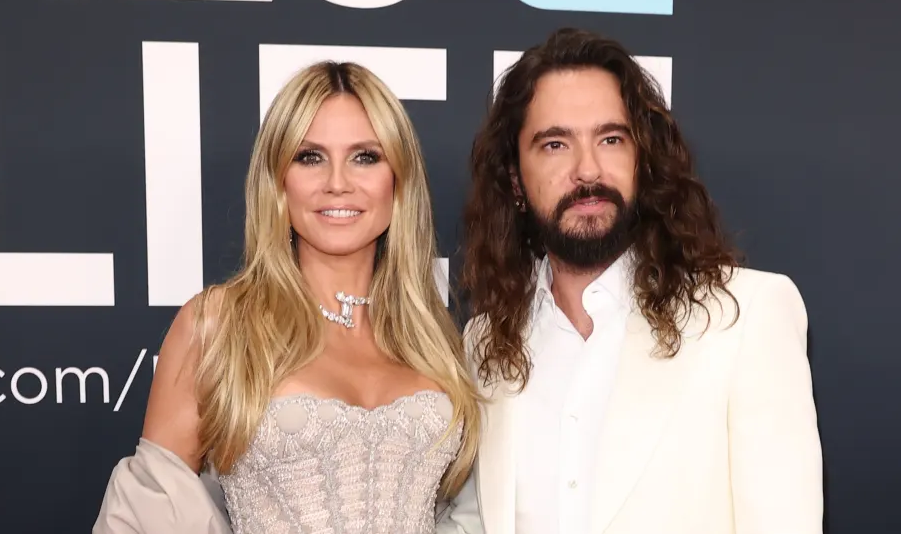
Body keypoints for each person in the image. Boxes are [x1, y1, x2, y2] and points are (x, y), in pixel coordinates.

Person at [437, 28, 823, 534]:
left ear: (642, 159)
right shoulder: (487, 345)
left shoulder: (745, 316)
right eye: (555, 144)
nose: (588, 169)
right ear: (514, 178)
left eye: (611, 139)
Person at [93, 61, 481, 534]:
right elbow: (149, 514)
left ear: (398, 178)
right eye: (310, 157)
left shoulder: (435, 338)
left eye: (365, 156)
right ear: (278, 179)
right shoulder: (220, 324)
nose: (337, 182)